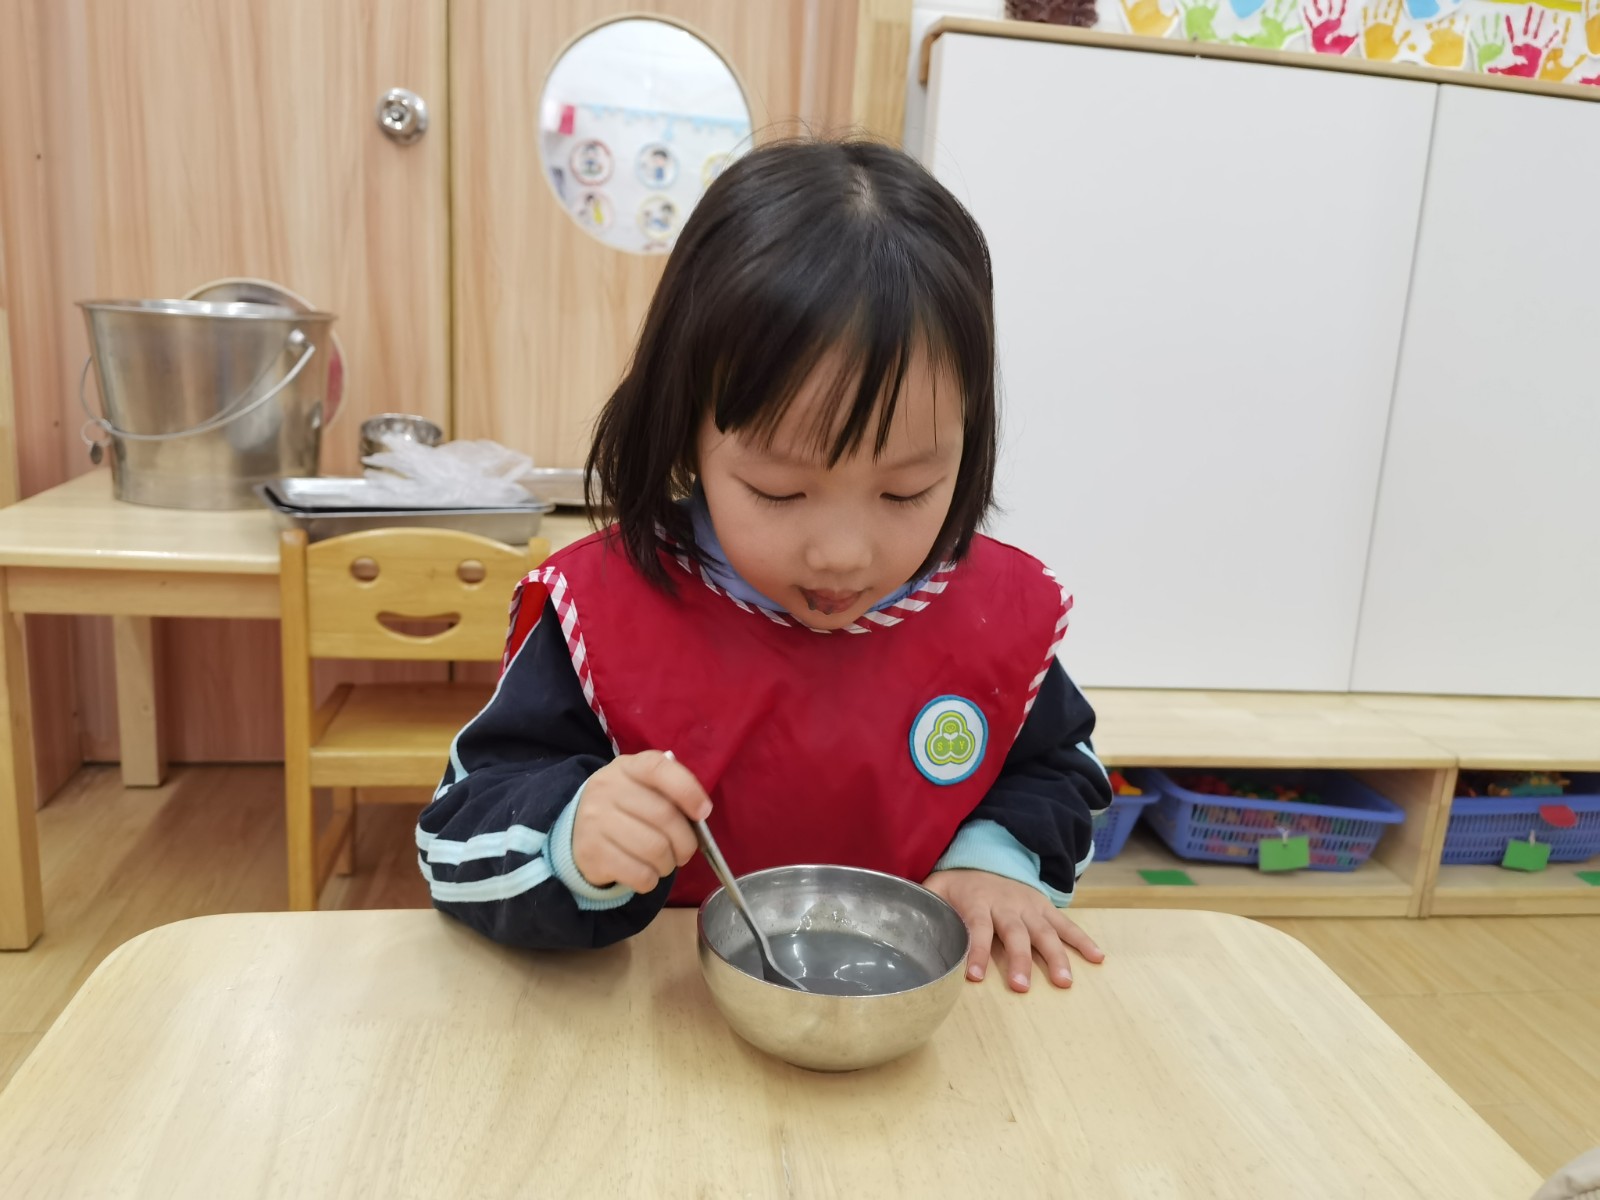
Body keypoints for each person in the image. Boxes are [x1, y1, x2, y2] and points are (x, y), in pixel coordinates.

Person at [417, 139, 1113, 993]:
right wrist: (570, 839)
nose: (843, 553)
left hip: (922, 1030)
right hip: (655, 1020)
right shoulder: (600, 613)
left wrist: (998, 860)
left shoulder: (992, 614)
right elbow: (455, 836)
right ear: (686, 433)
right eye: (779, 491)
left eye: (907, 491)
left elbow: (1059, 771)